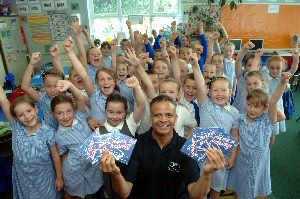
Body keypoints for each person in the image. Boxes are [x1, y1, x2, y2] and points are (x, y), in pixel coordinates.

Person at [100, 95, 226, 199]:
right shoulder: (137, 144)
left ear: (176, 119)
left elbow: (196, 195)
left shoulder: (185, 147)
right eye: (158, 115)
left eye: (169, 115)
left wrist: (207, 174)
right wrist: (116, 175)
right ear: (151, 118)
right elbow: (124, 193)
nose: (163, 119)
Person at [227, 72, 291, 199]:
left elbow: (273, 102)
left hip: (258, 162)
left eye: (256, 106)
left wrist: (283, 82)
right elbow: (235, 136)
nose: (251, 109)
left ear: (265, 108)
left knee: (251, 188)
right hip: (242, 161)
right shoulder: (241, 119)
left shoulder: (267, 120)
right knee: (238, 187)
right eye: (249, 105)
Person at [0, 86, 64, 198]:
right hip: (24, 177)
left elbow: (55, 156)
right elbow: (3, 100)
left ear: (36, 109)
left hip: (44, 179)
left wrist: (59, 178)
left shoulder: (47, 132)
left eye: (29, 111)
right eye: (21, 115)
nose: (27, 117)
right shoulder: (17, 127)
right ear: (16, 118)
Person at [191, 52, 239, 199]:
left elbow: (235, 136)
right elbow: (199, 84)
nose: (219, 94)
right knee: (201, 183)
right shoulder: (205, 104)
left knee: (217, 185)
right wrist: (195, 64)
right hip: (202, 153)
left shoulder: (234, 112)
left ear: (230, 92)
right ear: (209, 92)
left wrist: (233, 157)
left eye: (224, 90)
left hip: (221, 155)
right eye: (215, 90)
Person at [52, 81, 103, 199]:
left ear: (74, 110)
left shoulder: (80, 116)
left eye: (68, 111)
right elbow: (63, 156)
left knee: (94, 190)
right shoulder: (58, 135)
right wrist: (62, 177)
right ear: (53, 114)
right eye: (60, 113)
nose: (65, 116)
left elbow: (80, 98)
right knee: (75, 194)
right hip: (74, 171)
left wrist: (70, 85)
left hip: (92, 167)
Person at [63, 36, 119, 129]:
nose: (106, 82)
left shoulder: (119, 97)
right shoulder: (95, 94)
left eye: (109, 79)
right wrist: (70, 52)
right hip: (98, 134)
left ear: (114, 81)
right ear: (97, 83)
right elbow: (84, 75)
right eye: (101, 80)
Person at [21, 52, 65, 129]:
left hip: (67, 131)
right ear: (44, 85)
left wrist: (56, 58)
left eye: (56, 86)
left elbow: (62, 76)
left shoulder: (66, 96)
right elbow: (25, 86)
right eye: (48, 86)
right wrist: (31, 64)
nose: (52, 90)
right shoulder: (42, 98)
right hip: (49, 131)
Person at [266, 49, 299, 135]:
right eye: (272, 68)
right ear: (268, 67)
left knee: (273, 129)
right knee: (265, 125)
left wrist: (296, 60)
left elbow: (292, 71)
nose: (275, 71)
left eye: (278, 68)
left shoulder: (282, 77)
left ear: (283, 68)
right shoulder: (264, 77)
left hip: (277, 104)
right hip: (265, 103)